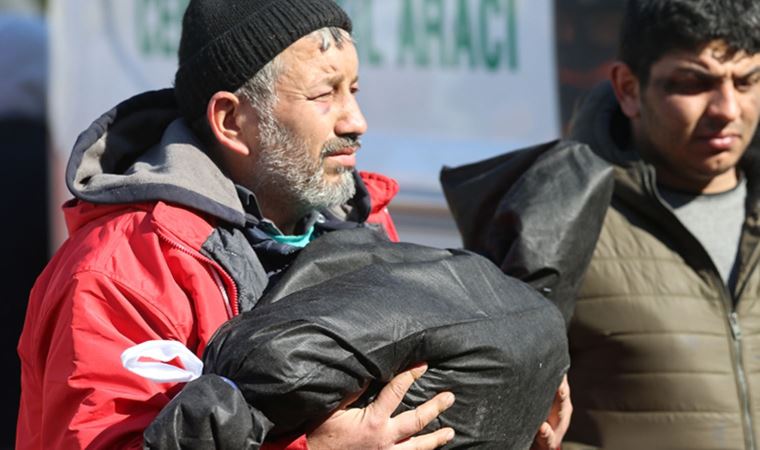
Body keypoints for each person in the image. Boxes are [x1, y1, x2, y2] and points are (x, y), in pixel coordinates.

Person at [16, 1, 457, 449]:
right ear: (231, 120)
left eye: (354, 90)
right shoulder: (120, 272)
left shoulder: (362, 224)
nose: (356, 122)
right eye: (325, 95)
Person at [443, 0, 760, 448]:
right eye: (694, 83)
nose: (728, 108)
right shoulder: (559, 221)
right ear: (628, 89)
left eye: (747, 81)